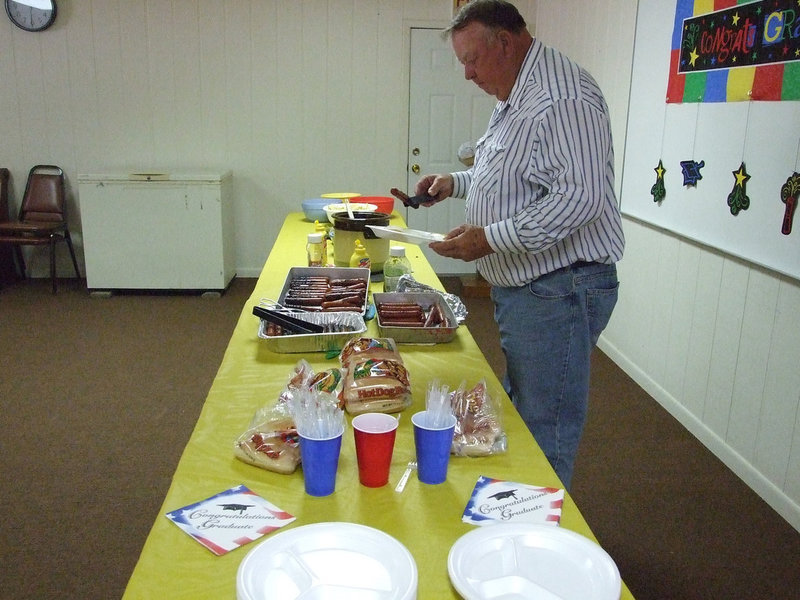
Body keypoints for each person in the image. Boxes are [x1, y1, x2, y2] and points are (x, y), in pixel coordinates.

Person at [415, 0, 625, 490]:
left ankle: (540, 543)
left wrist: (487, 239)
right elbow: (510, 176)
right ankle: (523, 518)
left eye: (471, 60)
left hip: (559, 288)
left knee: (544, 427)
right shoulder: (518, 93)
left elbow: (578, 199)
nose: (467, 74)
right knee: (525, 408)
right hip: (533, 288)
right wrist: (456, 182)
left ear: (505, 42)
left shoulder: (562, 97)